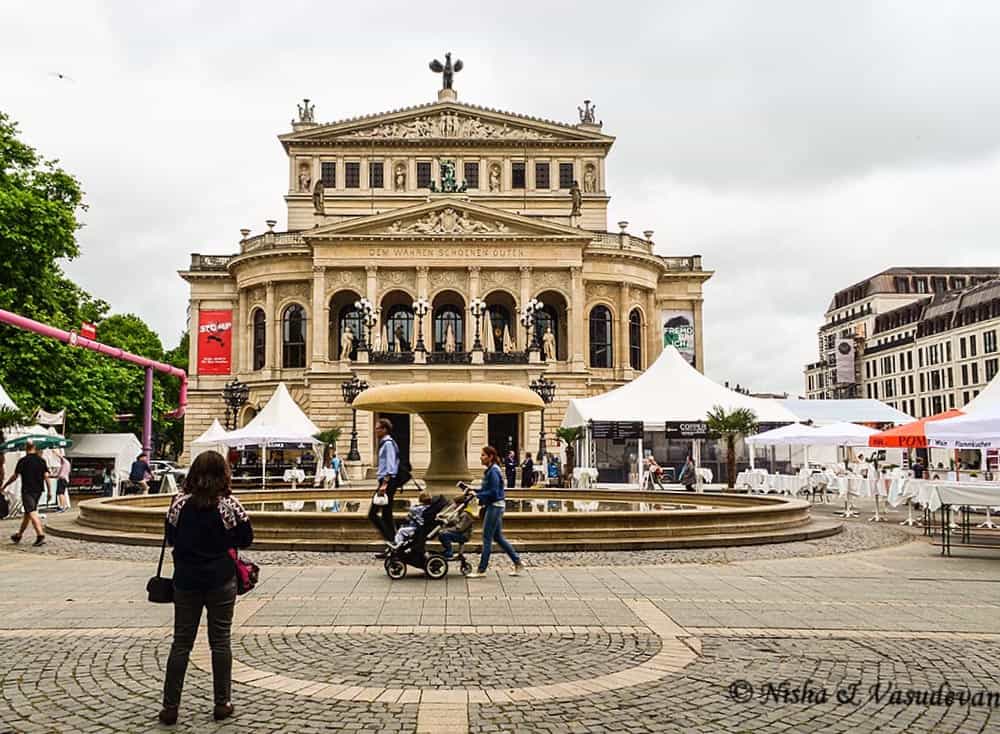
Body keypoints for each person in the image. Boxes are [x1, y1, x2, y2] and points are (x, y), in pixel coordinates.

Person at [159, 450, 253, 726]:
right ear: (223, 474)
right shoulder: (228, 505)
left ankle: (170, 707)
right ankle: (222, 703)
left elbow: (171, 537)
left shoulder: (178, 504)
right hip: (220, 579)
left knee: (181, 643)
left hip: (186, 580)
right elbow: (246, 538)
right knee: (220, 641)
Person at [466, 446, 523, 578]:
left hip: (495, 506)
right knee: (497, 537)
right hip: (495, 505)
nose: (481, 457)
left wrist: (478, 495)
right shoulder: (491, 470)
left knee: (486, 537)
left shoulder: (494, 471)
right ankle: (517, 562)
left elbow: (493, 492)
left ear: (490, 456)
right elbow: (488, 489)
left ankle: (481, 570)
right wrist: (474, 490)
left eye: (483, 455)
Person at [2, 441, 49, 546]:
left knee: (32, 512)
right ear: (35, 447)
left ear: (25, 448)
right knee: (28, 514)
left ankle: (40, 535)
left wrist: (5, 485)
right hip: (39, 490)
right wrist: (50, 491)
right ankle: (19, 535)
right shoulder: (42, 461)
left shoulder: (23, 461)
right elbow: (46, 476)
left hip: (27, 490)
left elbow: (15, 476)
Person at [370, 418, 400, 553]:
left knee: (373, 514)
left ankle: (392, 541)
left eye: (377, 428)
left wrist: (385, 483)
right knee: (387, 514)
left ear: (384, 429)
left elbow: (390, 464)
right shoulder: (386, 443)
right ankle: (394, 543)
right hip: (386, 481)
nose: (376, 431)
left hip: (386, 482)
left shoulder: (387, 444)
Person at [438, 494, 475, 559]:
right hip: (461, 533)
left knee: (443, 534)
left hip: (464, 535)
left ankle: (449, 551)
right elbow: (455, 521)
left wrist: (448, 529)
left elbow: (460, 528)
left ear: (460, 505)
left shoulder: (465, 514)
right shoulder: (460, 512)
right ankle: (451, 551)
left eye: (456, 504)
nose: (454, 506)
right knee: (442, 532)